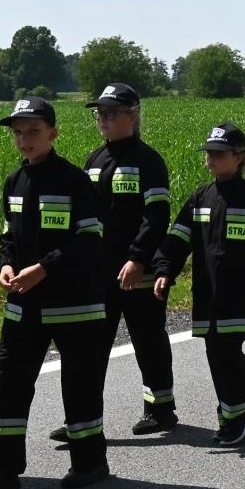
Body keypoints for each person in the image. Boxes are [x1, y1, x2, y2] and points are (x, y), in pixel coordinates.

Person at [0, 97, 110, 489]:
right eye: (18, 133)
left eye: (33, 132)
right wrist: (5, 264)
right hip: (25, 303)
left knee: (79, 384)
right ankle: (2, 469)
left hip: (75, 304)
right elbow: (9, 238)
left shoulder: (76, 181)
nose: (24, 140)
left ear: (53, 133)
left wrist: (45, 267)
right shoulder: (14, 182)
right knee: (10, 381)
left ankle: (90, 461)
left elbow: (90, 239)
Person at [151, 123, 245, 446]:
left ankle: (237, 415)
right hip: (208, 293)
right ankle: (232, 412)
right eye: (209, 154)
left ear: (238, 157)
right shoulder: (200, 197)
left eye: (219, 153)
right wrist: (164, 269)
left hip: (239, 294)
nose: (211, 159)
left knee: (227, 350)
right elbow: (178, 238)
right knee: (215, 352)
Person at [82, 84, 174, 436]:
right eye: (99, 113)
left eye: (111, 113)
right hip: (100, 272)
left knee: (148, 339)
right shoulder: (94, 160)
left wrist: (138, 259)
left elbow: (156, 216)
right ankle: (85, 418)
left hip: (140, 270)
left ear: (132, 116)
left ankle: (161, 409)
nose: (103, 119)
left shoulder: (148, 161)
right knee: (92, 346)